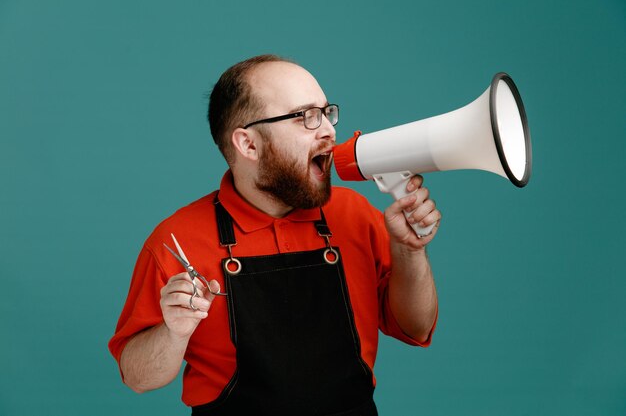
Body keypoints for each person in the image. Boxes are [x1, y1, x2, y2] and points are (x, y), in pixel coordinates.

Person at [109, 54, 441, 415]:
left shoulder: (355, 215)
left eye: (326, 112)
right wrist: (173, 332)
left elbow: (416, 328)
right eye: (305, 117)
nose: (329, 130)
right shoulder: (176, 240)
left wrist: (410, 250)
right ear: (248, 144)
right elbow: (137, 375)